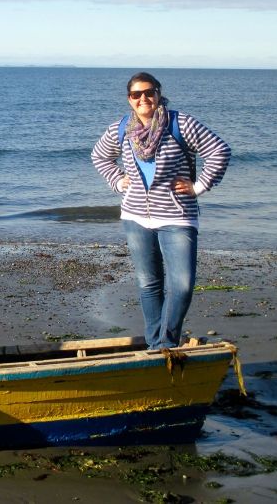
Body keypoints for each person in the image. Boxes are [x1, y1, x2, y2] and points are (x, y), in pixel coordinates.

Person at [91, 72, 230, 349]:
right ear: (129, 100)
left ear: (158, 93)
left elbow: (219, 151)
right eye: (136, 94)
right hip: (135, 217)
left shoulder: (181, 123)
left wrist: (199, 186)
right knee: (149, 284)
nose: (143, 99)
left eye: (149, 92)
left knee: (182, 286)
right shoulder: (121, 129)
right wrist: (118, 181)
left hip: (177, 216)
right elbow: (100, 156)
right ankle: (157, 347)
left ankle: (164, 344)